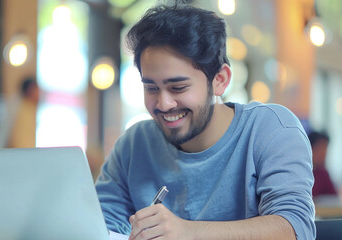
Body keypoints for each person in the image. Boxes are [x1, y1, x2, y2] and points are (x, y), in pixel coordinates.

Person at [94, 2, 315, 240]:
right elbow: (98, 226)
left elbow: (295, 229)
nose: (164, 103)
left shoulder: (270, 129)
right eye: (151, 88)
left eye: (178, 87)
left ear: (219, 80)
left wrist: (186, 232)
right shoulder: (134, 144)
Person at [308, 131, 338, 198]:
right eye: (320, 149)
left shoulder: (322, 173)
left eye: (325, 149)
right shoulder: (302, 171)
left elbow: (334, 199)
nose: (324, 154)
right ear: (310, 148)